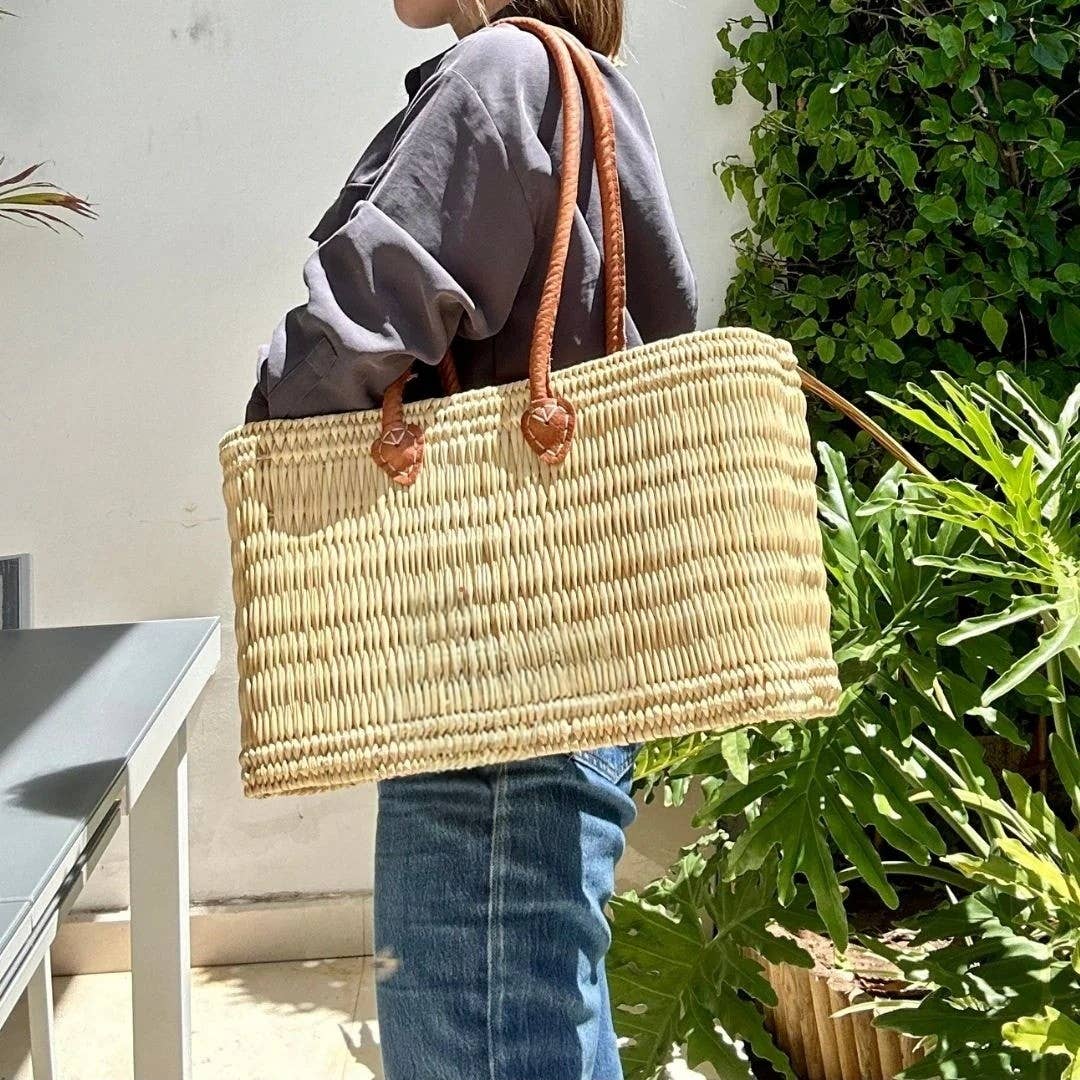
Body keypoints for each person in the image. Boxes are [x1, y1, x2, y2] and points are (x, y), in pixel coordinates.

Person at [242, 1, 697, 1077]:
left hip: (489, 650)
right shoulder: (577, 84)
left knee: (486, 1033)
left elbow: (360, 326)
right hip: (570, 632)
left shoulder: (500, 73)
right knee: (540, 1013)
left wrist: (272, 426)